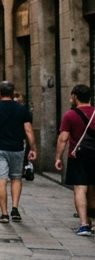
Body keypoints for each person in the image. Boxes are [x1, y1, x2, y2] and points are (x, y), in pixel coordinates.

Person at [0, 81, 36, 224]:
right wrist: (33, 148)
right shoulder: (22, 109)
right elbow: (28, 130)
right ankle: (15, 208)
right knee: (16, 178)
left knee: (1, 179)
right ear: (12, 92)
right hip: (17, 147)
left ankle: (4, 213)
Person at [54, 84, 95, 236]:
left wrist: (58, 157)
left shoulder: (70, 115)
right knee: (93, 189)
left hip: (78, 156)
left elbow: (63, 138)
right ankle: (93, 222)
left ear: (75, 96)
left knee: (80, 188)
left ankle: (84, 224)